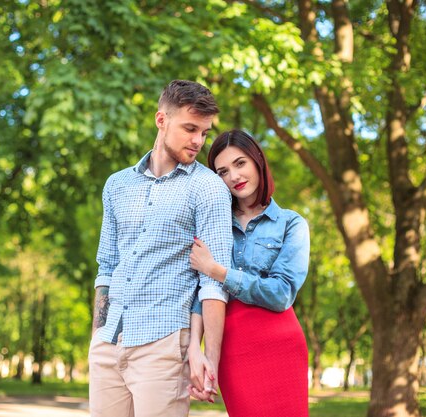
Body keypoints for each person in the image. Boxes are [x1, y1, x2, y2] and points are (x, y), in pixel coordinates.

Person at [88, 80, 232, 417]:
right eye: (190, 128)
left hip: (164, 343)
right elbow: (107, 267)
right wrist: (97, 337)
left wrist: (209, 360)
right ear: (161, 120)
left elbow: (213, 282)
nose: (198, 141)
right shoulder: (117, 185)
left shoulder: (208, 189)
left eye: (204, 132)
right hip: (110, 342)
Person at [187, 129, 310, 416]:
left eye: (240, 163)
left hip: (281, 343)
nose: (234, 176)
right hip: (233, 347)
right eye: (222, 171)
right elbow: (202, 292)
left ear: (257, 161)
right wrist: (197, 347)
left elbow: (281, 294)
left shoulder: (291, 224)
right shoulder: (214, 225)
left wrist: (218, 271)